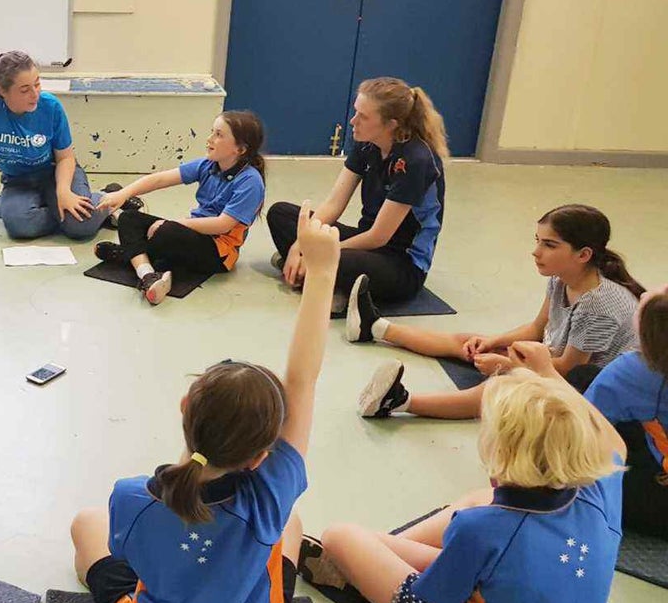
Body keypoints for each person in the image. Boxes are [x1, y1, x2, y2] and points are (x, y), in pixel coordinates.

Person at [69, 203, 340, 603]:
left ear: (184, 407)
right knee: (291, 524)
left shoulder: (129, 498)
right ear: (258, 458)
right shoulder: (269, 497)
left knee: (86, 525)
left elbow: (130, 551)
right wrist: (322, 274)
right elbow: (302, 381)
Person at [308, 344, 626, 603]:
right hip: (543, 579)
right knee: (480, 501)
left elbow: (430, 600)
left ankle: (357, 572)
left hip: (451, 588)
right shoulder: (596, 490)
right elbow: (614, 443)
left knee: (339, 536)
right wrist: (548, 374)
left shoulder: (479, 529)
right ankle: (375, 557)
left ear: (498, 451)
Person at [357, 204, 643, 421]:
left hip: (585, 388)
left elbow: (569, 370)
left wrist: (509, 366)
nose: (536, 251)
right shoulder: (561, 279)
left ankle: (399, 402)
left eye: (549, 245)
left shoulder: (598, 307)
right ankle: (376, 327)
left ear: (584, 255)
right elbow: (536, 329)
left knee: (500, 387)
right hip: (553, 359)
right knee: (470, 341)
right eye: (538, 240)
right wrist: (493, 342)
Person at [267, 77, 448, 312]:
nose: (353, 121)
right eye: (355, 112)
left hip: (400, 263)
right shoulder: (366, 143)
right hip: (366, 244)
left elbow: (379, 237)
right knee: (282, 214)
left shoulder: (415, 161)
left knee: (336, 259)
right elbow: (333, 204)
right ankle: (320, 276)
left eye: (363, 117)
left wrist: (317, 252)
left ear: (391, 124)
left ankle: (323, 278)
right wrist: (301, 243)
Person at [0, 50, 134, 240]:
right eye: (24, 90)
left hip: (56, 172)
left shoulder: (51, 107)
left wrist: (64, 191)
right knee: (20, 227)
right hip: (18, 180)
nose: (35, 94)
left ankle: (109, 196)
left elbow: (65, 157)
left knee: (81, 226)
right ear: (1, 90)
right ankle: (67, 212)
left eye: (37, 83)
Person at [94, 111, 267, 305]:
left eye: (219, 135)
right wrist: (123, 193)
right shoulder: (208, 165)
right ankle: (147, 275)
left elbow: (222, 225)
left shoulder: (250, 181)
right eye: (212, 132)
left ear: (240, 149)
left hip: (218, 252)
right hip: (191, 233)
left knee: (167, 231)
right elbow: (159, 179)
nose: (209, 139)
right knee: (128, 218)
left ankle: (130, 254)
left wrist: (172, 224)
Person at [585, 284, 668, 539]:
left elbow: (581, 427)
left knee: (592, 486)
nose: (642, 294)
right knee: (584, 375)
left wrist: (543, 373)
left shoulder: (631, 371)